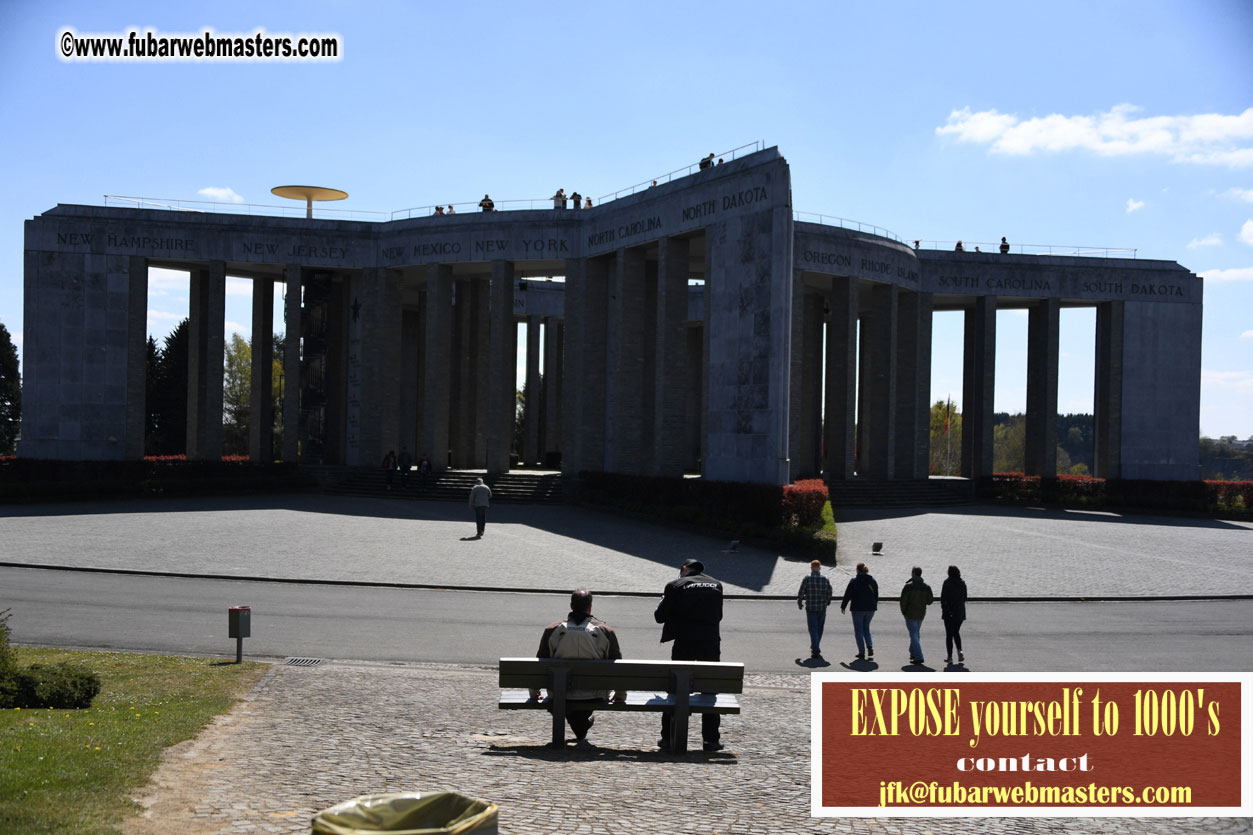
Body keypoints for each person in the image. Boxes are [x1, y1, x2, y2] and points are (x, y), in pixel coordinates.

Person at [531, 589, 624, 746]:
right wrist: (621, 695)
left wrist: (534, 693)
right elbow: (618, 667)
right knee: (580, 715)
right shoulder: (606, 632)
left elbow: (540, 665)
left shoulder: (552, 630)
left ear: (571, 606)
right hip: (596, 693)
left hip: (560, 692)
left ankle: (581, 727)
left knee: (567, 701)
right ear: (590, 607)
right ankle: (581, 727)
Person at [654, 558, 724, 752]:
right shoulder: (716, 585)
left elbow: (659, 617)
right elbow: (719, 616)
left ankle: (667, 737)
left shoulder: (675, 585)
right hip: (710, 643)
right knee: (709, 691)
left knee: (675, 689)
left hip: (684, 642)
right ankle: (711, 739)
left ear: (684, 569)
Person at [839, 562, 878, 660]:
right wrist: (874, 604)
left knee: (858, 630)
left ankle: (861, 652)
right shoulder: (872, 580)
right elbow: (876, 594)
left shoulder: (854, 581)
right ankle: (869, 646)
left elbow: (848, 594)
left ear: (857, 570)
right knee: (866, 627)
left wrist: (843, 606)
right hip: (870, 609)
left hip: (857, 609)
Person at [796, 559, 833, 658]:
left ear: (811, 568)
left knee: (813, 628)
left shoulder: (807, 578)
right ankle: (815, 646)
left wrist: (800, 602)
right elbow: (830, 591)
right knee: (820, 628)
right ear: (819, 568)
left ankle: (815, 648)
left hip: (811, 607)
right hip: (822, 606)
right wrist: (828, 601)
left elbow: (801, 591)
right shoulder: (825, 579)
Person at [900, 566, 934, 665]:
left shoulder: (908, 586)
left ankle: (919, 656)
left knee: (914, 634)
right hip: (921, 613)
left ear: (913, 573)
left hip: (910, 614)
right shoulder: (926, 587)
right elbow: (930, 601)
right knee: (916, 633)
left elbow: (903, 601)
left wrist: (904, 612)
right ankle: (913, 652)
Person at [941, 565, 967, 664]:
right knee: (956, 632)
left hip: (949, 612)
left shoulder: (947, 583)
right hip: (960, 612)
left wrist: (945, 609)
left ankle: (950, 657)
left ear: (949, 573)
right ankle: (960, 650)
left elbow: (943, 598)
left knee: (949, 635)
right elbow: (965, 598)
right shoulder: (962, 583)